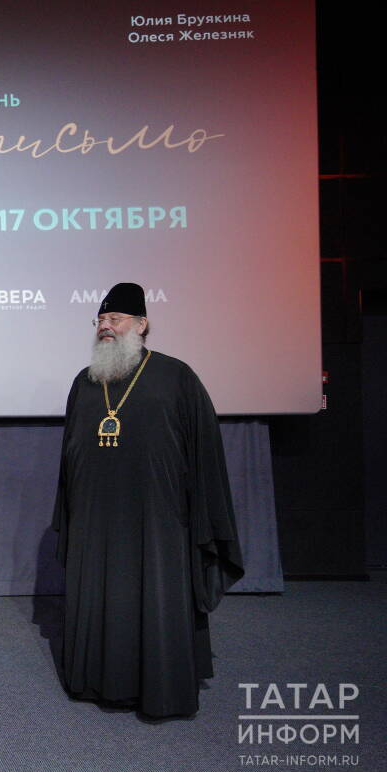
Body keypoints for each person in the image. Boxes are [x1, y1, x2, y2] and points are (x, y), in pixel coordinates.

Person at [51, 282, 244, 718]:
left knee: (155, 593)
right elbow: (70, 453)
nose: (105, 326)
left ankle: (159, 686)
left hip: (158, 516)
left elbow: (204, 451)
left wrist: (201, 513)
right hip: (96, 517)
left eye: (115, 319)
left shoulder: (176, 376)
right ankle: (97, 680)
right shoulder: (86, 381)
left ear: (141, 325)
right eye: (101, 320)